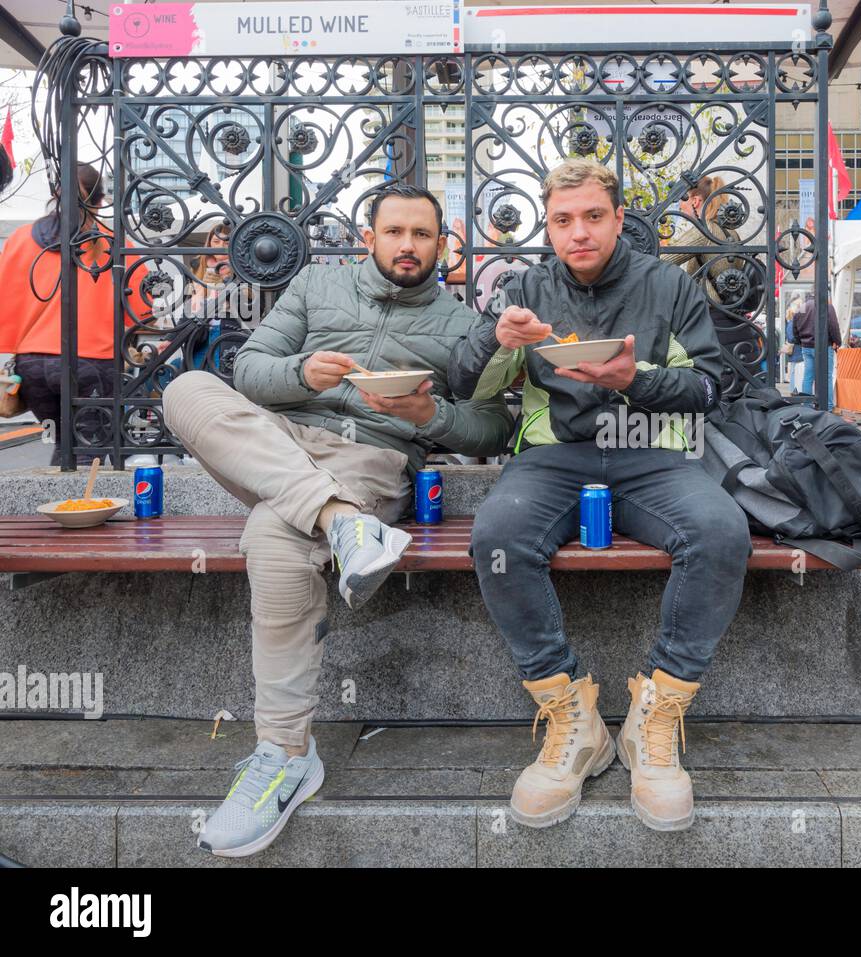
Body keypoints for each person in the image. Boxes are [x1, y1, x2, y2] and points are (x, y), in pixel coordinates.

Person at [162, 183, 513, 857]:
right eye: (394, 232)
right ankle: (339, 521)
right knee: (186, 390)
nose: (407, 245)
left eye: (421, 234)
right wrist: (304, 374)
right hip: (281, 442)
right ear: (368, 238)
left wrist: (430, 418)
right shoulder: (314, 288)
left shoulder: (459, 320)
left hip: (371, 459)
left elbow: (495, 422)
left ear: (440, 244)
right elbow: (248, 369)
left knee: (273, 536)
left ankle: (285, 754)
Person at [449, 158, 752, 832]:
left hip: (650, 450)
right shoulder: (522, 286)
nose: (578, 232)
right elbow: (462, 382)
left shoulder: (667, 284)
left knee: (721, 533)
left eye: (593, 217)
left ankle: (658, 711)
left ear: (619, 219)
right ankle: (572, 714)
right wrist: (501, 339)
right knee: (498, 537)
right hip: (554, 456)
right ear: (548, 226)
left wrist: (634, 379)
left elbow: (710, 389)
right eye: (563, 220)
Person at [0, 163, 147, 462]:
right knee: (89, 448)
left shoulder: (20, 239)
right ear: (101, 200)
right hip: (92, 360)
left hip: (31, 364)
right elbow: (141, 307)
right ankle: (77, 507)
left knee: (63, 444)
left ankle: (56, 504)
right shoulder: (113, 243)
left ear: (56, 192)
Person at [659, 174, 741, 306]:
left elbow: (663, 259)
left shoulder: (704, 230)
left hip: (708, 314)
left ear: (695, 201)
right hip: (729, 313)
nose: (680, 205)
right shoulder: (731, 232)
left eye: (683, 198)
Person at [793, 293, 840, 397]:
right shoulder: (827, 306)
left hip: (806, 346)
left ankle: (807, 405)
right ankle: (827, 406)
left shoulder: (802, 307)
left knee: (808, 376)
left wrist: (800, 341)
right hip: (824, 346)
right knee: (826, 376)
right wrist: (837, 341)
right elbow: (833, 325)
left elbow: (795, 326)